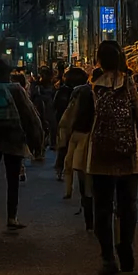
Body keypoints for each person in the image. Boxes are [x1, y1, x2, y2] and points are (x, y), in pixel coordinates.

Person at [78, 40, 138, 275]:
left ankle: (108, 257)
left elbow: (83, 123)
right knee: (127, 206)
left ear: (99, 60)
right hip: (128, 156)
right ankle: (126, 249)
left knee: (102, 207)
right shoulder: (129, 83)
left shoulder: (92, 87)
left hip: (99, 157)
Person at [0, 58, 43, 240]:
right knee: (13, 179)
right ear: (8, 73)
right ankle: (12, 217)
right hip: (13, 138)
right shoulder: (16, 90)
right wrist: (37, 140)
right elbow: (29, 115)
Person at [57, 69, 95, 230]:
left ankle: (78, 199)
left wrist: (62, 138)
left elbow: (65, 118)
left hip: (76, 134)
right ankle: (89, 212)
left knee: (74, 167)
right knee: (85, 174)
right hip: (88, 136)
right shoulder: (93, 93)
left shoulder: (76, 93)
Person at [52, 67, 82, 178]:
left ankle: (61, 169)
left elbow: (55, 105)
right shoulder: (81, 91)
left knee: (63, 146)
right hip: (77, 124)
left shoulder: (62, 90)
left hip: (63, 122)